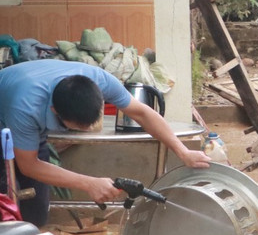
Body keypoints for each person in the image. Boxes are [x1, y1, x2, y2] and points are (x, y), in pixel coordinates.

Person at [0, 61, 210, 225]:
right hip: (6, 114)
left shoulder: (100, 80)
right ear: (55, 112)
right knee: (7, 211)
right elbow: (28, 165)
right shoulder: (25, 106)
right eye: (78, 126)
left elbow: (143, 113)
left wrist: (183, 152)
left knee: (34, 214)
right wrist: (89, 183)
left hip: (26, 115)